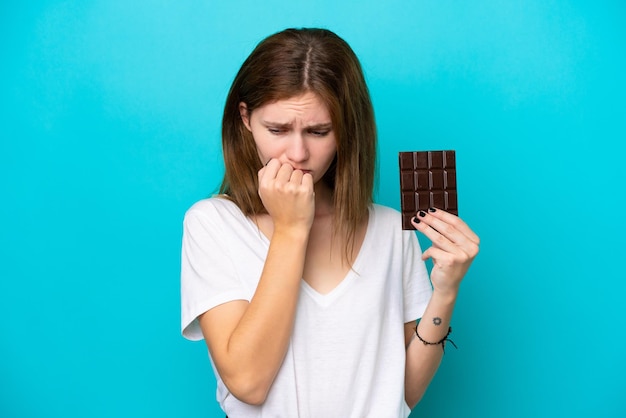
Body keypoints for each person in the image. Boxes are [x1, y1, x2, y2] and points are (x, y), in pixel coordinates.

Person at [180, 27, 479, 418]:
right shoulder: (213, 224)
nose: (298, 153)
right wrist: (290, 229)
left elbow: (405, 390)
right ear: (245, 119)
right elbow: (248, 383)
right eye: (278, 130)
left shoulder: (390, 230)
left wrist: (446, 292)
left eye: (319, 132)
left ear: (345, 131)